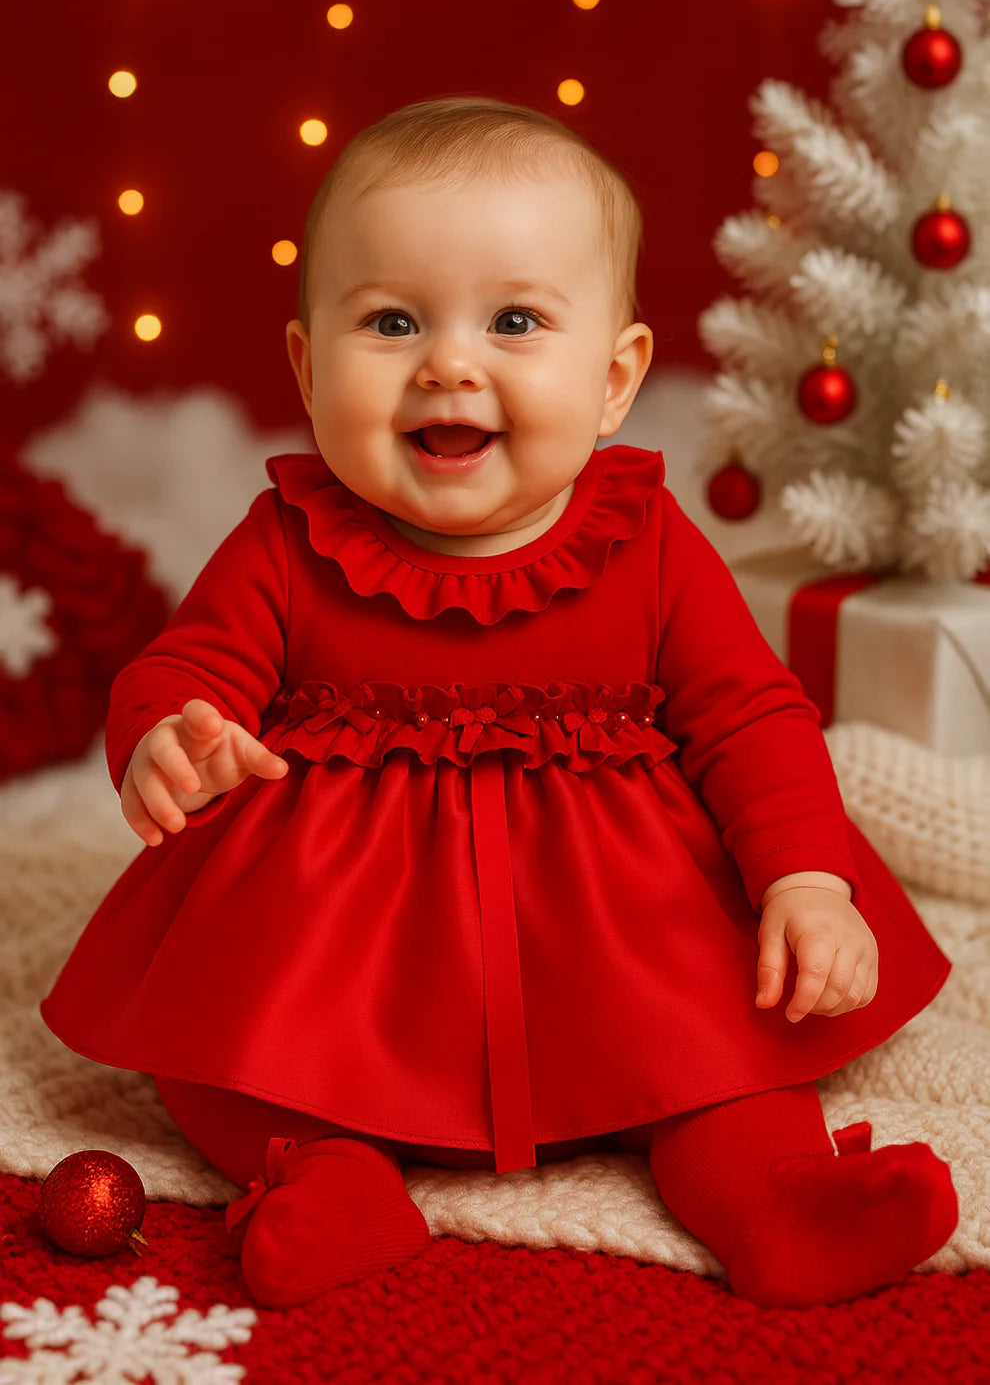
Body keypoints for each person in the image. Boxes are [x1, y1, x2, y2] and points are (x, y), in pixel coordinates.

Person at [41, 95, 958, 1312]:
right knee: (212, 1057)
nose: (449, 362)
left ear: (616, 377)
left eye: (516, 320)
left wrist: (805, 879)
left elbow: (749, 717)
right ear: (309, 367)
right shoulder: (283, 541)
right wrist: (168, 735)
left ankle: (771, 1197)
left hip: (619, 931)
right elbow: (187, 665)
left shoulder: (649, 544)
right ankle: (325, 1172)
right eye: (391, 321)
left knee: (729, 1059)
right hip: (346, 939)